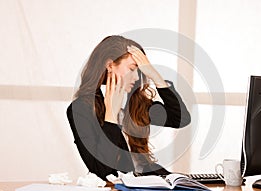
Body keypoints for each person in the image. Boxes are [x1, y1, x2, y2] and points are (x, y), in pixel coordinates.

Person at [67, 35, 191, 181]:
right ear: (110, 65)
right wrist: (111, 116)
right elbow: (102, 171)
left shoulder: (134, 101)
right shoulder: (81, 109)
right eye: (132, 69)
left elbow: (180, 119)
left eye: (139, 70)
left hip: (152, 183)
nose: (137, 77)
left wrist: (155, 76)